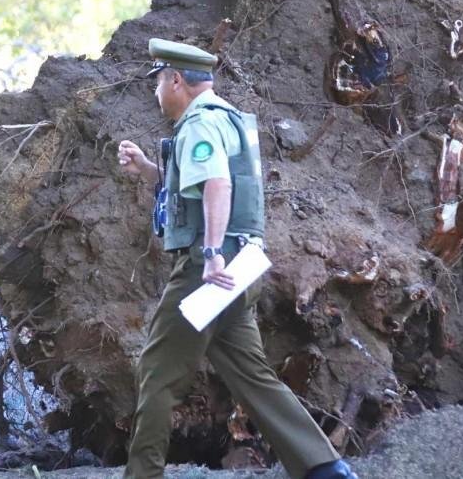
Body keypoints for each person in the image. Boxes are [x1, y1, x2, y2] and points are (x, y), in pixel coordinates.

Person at [116, 38, 357, 479]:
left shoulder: (198, 124)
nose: (156, 93)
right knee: (253, 377)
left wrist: (209, 255)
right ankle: (327, 470)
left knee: (156, 372)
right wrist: (150, 170)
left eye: (158, 82)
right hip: (243, 266)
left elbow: (218, 185)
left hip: (212, 270)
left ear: (175, 80)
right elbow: (199, 186)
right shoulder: (226, 118)